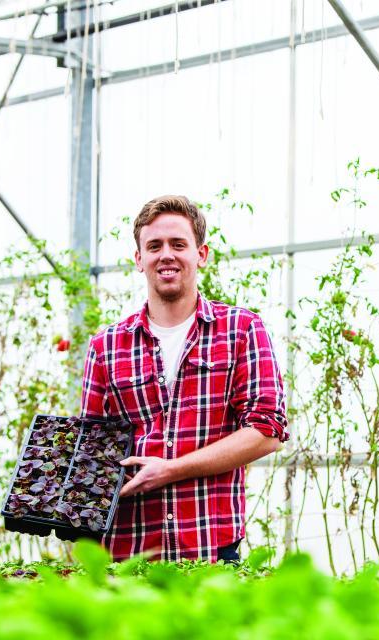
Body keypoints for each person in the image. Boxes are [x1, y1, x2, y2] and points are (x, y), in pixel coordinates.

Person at [80, 195, 288, 563]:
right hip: (128, 556)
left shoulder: (240, 331)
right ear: (138, 258)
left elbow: (266, 432)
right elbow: (92, 452)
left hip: (210, 549)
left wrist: (170, 470)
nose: (167, 255)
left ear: (201, 254)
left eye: (179, 244)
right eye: (154, 246)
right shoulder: (107, 347)